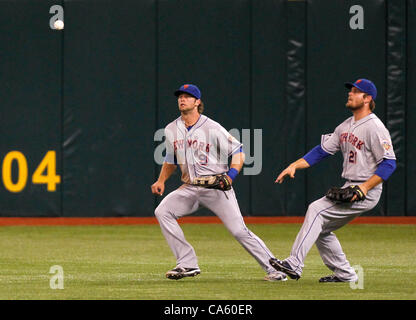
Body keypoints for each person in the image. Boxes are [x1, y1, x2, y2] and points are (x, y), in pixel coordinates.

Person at [151, 83, 287, 281]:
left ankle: (276, 269)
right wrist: (161, 180)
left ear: (197, 102)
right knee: (162, 211)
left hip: (216, 187)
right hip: (190, 187)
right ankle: (187, 264)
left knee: (239, 231)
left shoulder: (212, 127)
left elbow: (239, 152)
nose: (182, 99)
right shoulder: (172, 128)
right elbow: (171, 159)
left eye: (187, 96)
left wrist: (230, 176)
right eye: (180, 96)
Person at [270, 79, 397, 282]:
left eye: (356, 92)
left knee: (315, 210)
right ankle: (346, 274)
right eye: (350, 90)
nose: (350, 94)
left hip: (366, 188)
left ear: (368, 98)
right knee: (320, 228)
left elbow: (389, 164)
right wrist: (294, 165)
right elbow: (321, 151)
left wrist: (364, 187)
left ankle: (294, 264)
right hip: (350, 185)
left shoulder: (375, 127)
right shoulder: (345, 126)